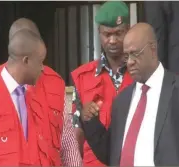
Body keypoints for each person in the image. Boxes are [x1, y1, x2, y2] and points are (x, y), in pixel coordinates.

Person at [81, 23, 179, 166]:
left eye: (135, 54)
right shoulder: (121, 101)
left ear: (153, 49)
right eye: (126, 56)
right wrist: (91, 122)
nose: (130, 62)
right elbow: (112, 155)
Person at [0, 23, 81, 165]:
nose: (42, 69)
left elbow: (67, 144)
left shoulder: (52, 85)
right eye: (40, 63)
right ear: (26, 60)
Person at [71, 1, 133, 166]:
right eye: (107, 34)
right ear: (99, 33)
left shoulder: (141, 72)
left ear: (128, 30)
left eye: (118, 33)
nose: (112, 40)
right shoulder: (82, 77)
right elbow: (76, 131)